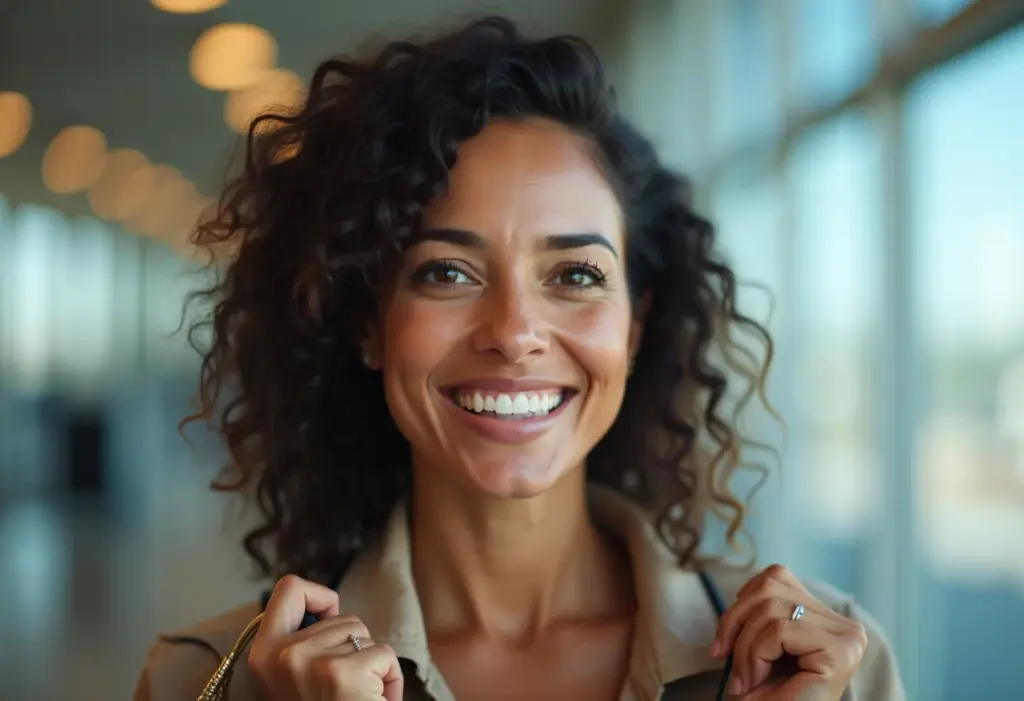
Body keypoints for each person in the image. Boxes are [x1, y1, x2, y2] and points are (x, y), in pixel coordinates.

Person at [133, 16, 905, 701]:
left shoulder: (824, 672)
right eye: (446, 271)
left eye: (575, 275)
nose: (514, 331)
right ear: (368, 323)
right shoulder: (203, 682)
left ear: (635, 329)